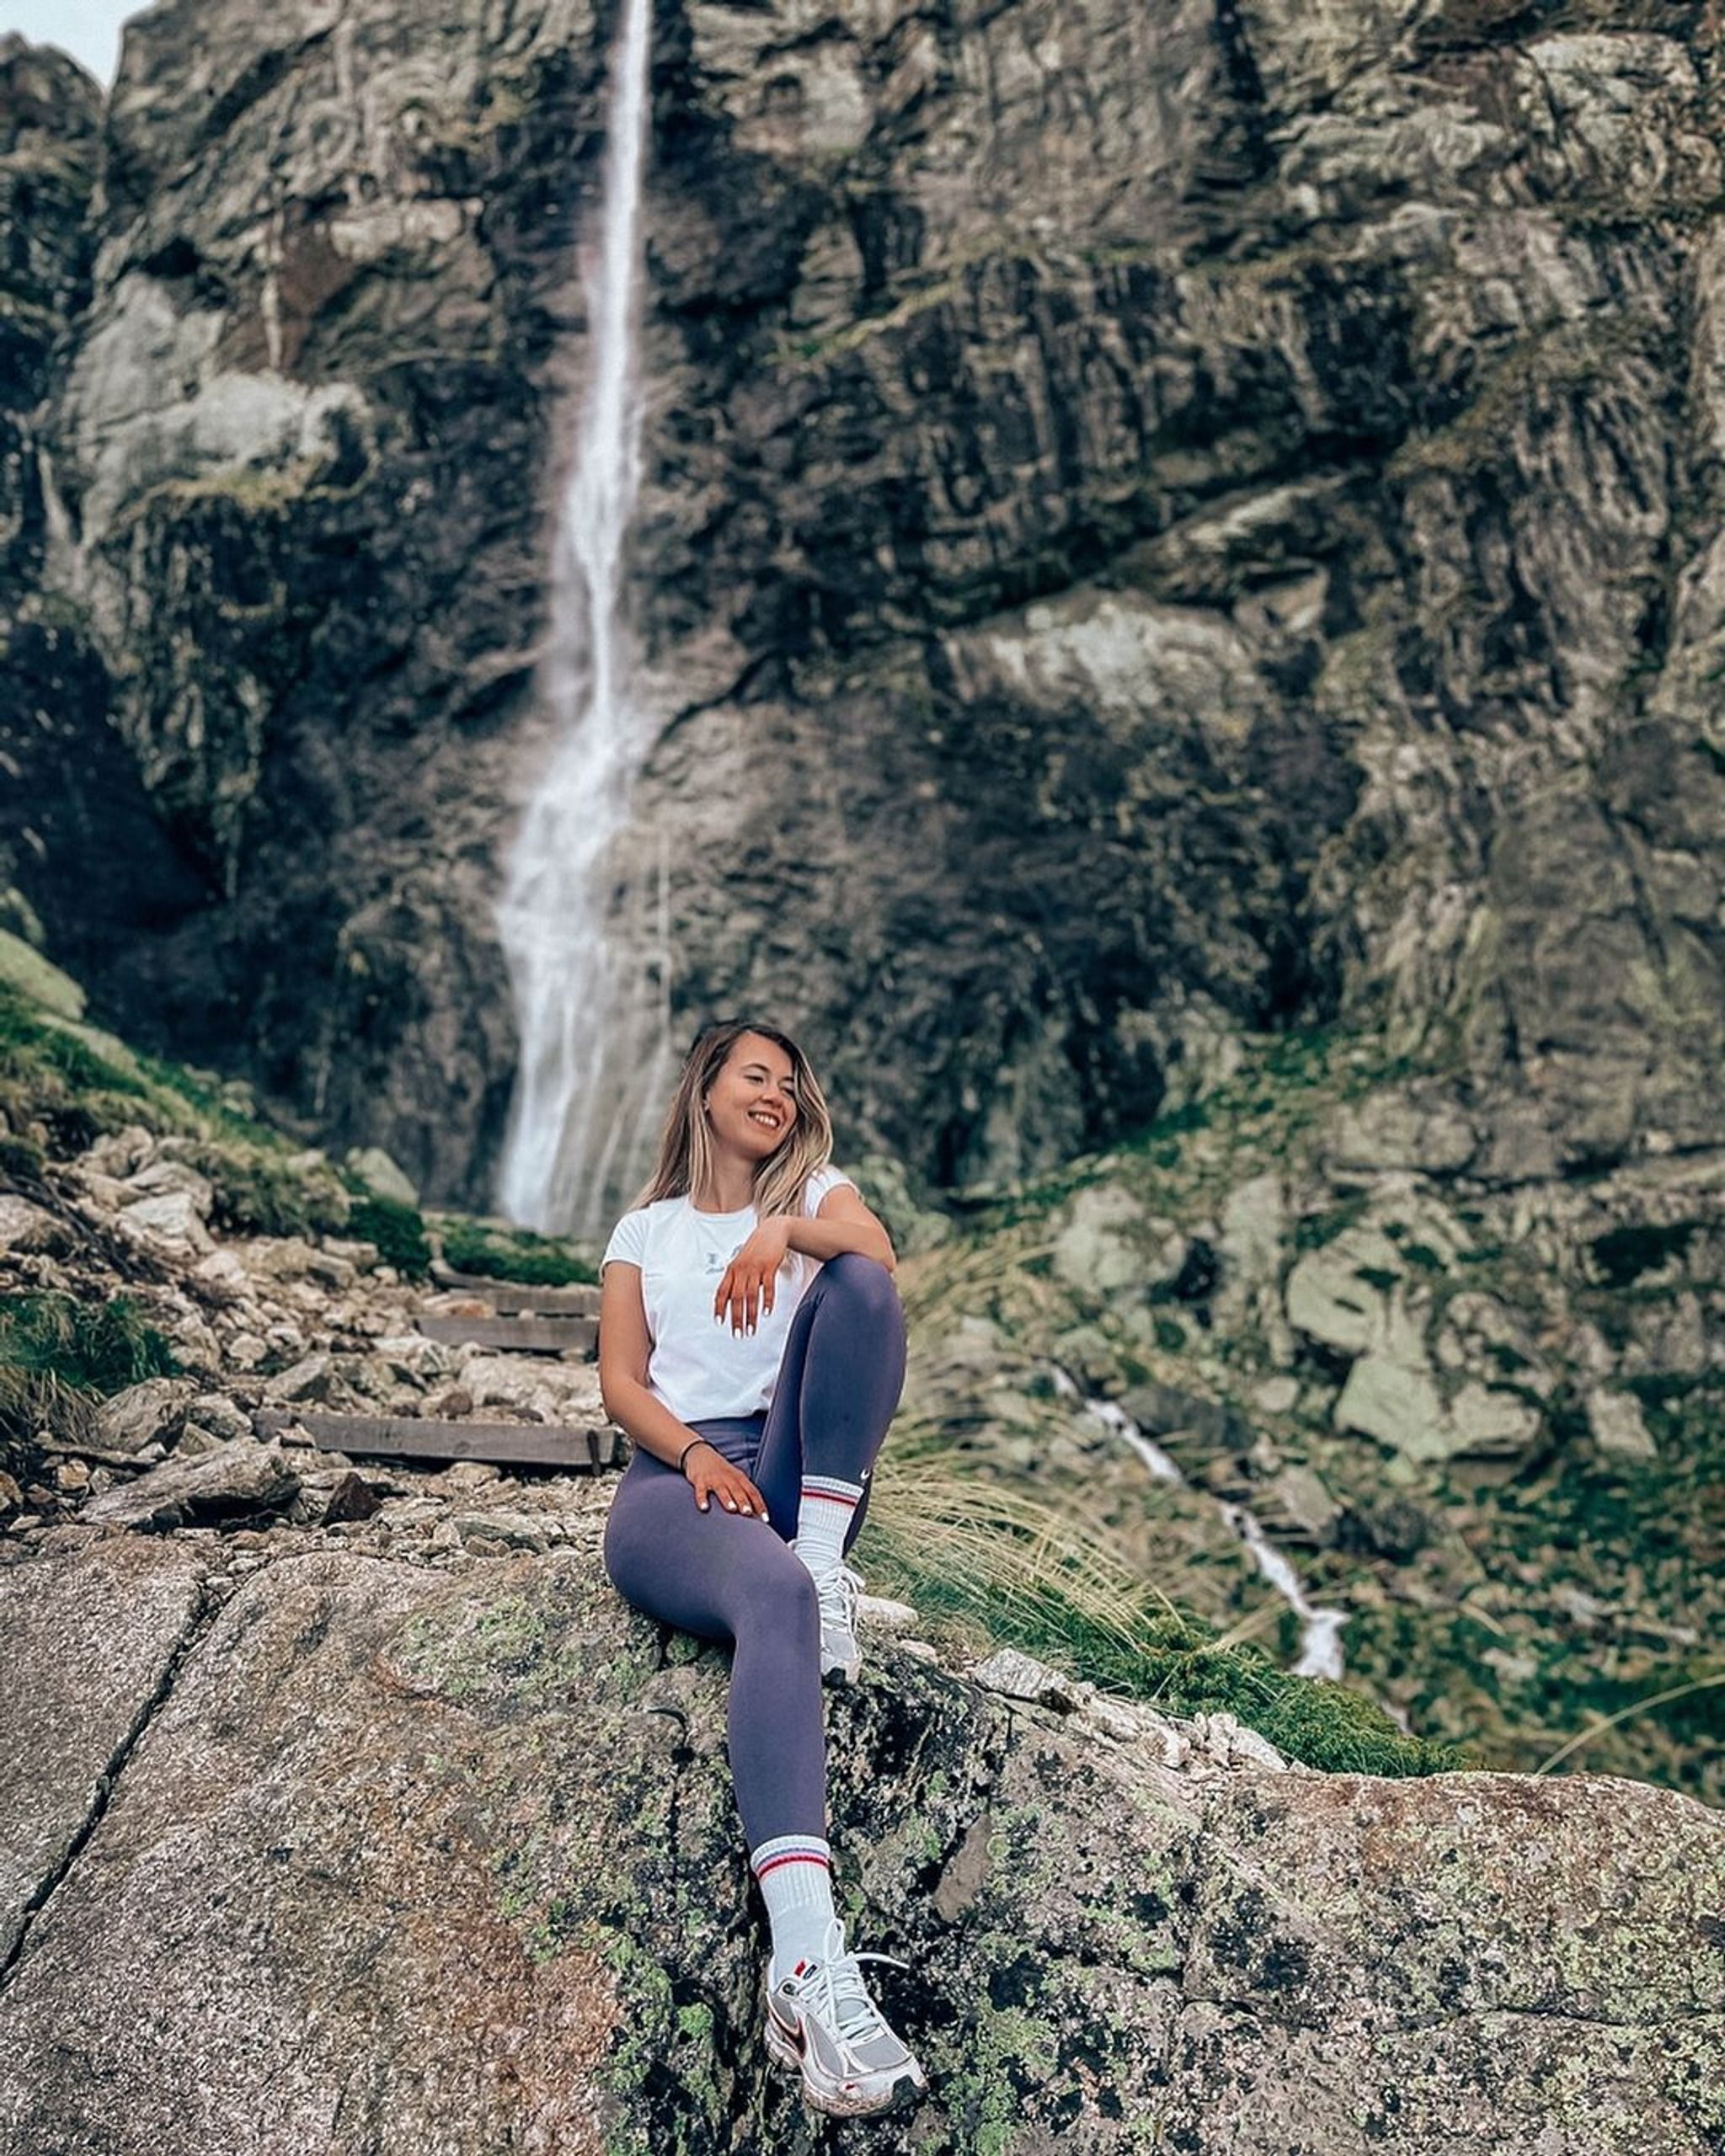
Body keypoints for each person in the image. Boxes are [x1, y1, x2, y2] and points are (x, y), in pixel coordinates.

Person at [597, 1018, 928, 2121]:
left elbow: (875, 1259)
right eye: (755, 1074)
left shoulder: (818, 1193)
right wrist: (694, 1456)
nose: (777, 1093)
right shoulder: (644, 1231)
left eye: (791, 1082)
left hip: (793, 1467)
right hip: (674, 1481)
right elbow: (622, 1383)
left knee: (863, 1284)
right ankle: (805, 1960)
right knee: (770, 1596)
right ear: (706, 1090)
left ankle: (823, 1560)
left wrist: (782, 1230)